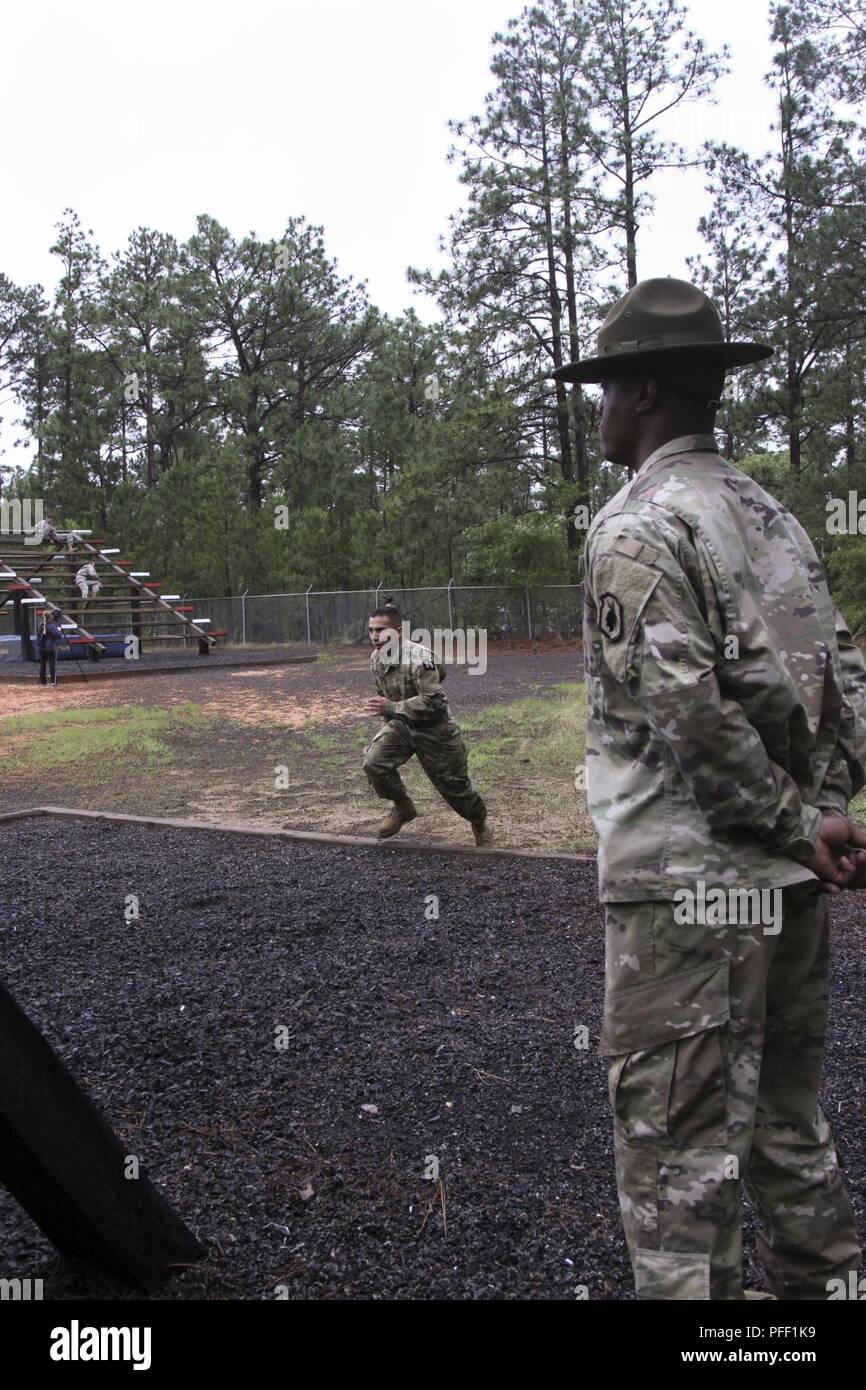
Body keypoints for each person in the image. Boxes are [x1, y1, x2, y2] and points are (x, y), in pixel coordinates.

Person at [552, 276, 866, 1301]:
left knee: (677, 1171)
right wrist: (823, 815)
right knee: (784, 1128)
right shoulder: (769, 515)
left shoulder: (636, 527)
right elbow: (840, 677)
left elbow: (686, 714)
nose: (596, 411)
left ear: (641, 392)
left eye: (605, 389)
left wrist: (786, 818)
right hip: (785, 883)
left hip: (687, 898)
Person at [363, 604, 491, 845]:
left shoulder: (421, 659)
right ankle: (403, 807)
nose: (374, 636)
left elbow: (434, 702)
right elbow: (385, 694)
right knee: (374, 763)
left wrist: (391, 707)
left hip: (435, 729)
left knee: (455, 789)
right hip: (402, 725)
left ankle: (479, 822)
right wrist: (388, 718)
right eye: (370, 630)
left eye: (380, 630)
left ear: (398, 631)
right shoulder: (376, 659)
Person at [36, 609, 63, 686]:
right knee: (52, 664)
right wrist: (58, 629)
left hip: (41, 646)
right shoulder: (51, 626)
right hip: (50, 647)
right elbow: (58, 636)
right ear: (50, 617)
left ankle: (42, 682)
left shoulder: (40, 625)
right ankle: (53, 681)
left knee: (42, 664)